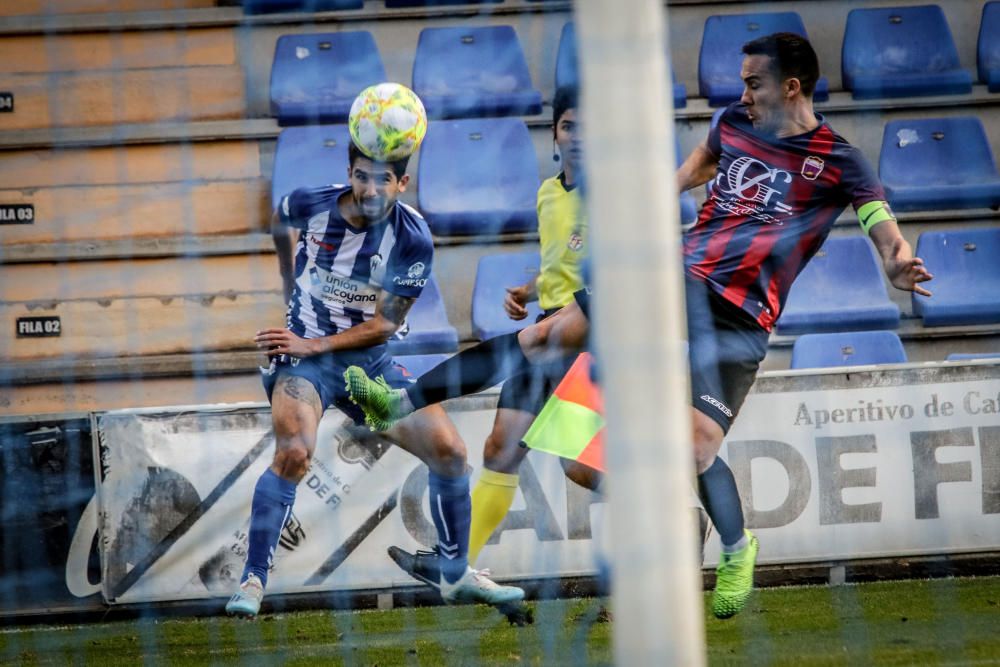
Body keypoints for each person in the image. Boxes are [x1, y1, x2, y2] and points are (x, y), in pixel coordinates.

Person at [347, 31, 933, 620]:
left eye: (754, 83)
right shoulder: (733, 123)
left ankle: (733, 545)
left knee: (695, 450)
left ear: (792, 86)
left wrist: (897, 260)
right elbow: (702, 163)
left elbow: (879, 222)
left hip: (742, 314)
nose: (743, 93)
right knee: (546, 336)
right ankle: (398, 404)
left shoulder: (837, 158)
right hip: (673, 277)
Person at [225, 140, 524, 617]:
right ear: (349, 172)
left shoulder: (413, 237)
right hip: (304, 364)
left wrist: (315, 343)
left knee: (450, 453)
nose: (369, 187)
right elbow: (279, 219)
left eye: (382, 178)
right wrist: (290, 285)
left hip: (370, 364)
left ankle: (453, 574)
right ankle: (252, 581)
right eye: (361, 175)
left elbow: (385, 324)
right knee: (295, 453)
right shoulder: (314, 202)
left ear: (401, 184)